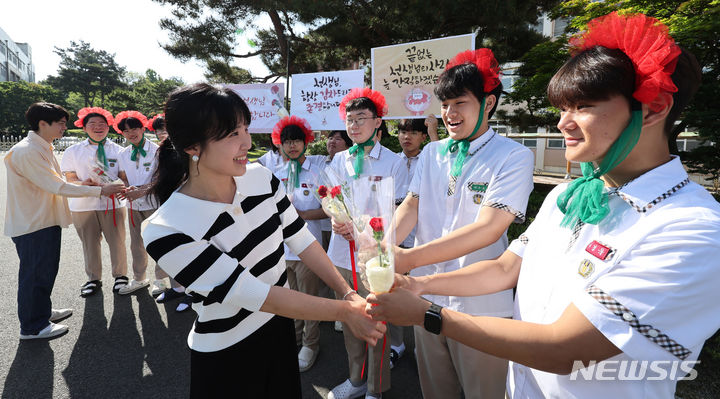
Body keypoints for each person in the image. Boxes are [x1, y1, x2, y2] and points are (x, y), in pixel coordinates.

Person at [368, 12, 719, 399]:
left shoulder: (692, 228)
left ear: (653, 108)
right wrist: (419, 285)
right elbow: (506, 267)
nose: (562, 124)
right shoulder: (565, 197)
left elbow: (565, 348)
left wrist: (425, 312)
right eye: (562, 108)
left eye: (582, 105)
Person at [141, 83, 385, 398]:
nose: (246, 142)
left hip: (279, 328)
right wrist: (345, 311)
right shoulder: (165, 229)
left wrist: (348, 292)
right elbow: (257, 295)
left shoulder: (261, 179)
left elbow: (302, 240)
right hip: (226, 352)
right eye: (232, 134)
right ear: (192, 146)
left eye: (246, 128)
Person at [386, 48, 535, 399]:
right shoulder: (432, 153)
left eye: (460, 103)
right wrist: (384, 247)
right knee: (436, 390)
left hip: (480, 305)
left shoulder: (513, 155)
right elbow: (411, 205)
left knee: (483, 391)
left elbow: (489, 228)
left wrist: (408, 259)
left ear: (489, 102)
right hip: (423, 295)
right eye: (445, 105)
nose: (450, 114)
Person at [4, 102, 124, 339]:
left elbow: (57, 181)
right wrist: (100, 191)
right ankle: (32, 326)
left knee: (44, 272)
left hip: (43, 220)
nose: (64, 128)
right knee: (35, 274)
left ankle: (41, 312)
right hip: (33, 223)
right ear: (42, 124)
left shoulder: (42, 147)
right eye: (60, 123)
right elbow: (56, 185)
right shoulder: (27, 150)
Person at [326, 88, 410, 399]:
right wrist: (336, 219)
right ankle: (355, 379)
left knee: (377, 323)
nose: (354, 125)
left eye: (362, 118)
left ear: (378, 122)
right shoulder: (338, 160)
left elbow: (401, 211)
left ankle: (375, 387)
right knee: (350, 322)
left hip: (376, 259)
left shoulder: (394, 162)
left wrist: (367, 232)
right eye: (350, 119)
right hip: (341, 253)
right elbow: (333, 199)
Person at [269, 115, 328, 372]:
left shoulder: (317, 172)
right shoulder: (276, 173)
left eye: (296, 141)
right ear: (279, 144)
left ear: (306, 143)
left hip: (307, 246)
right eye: (287, 141)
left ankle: (311, 344)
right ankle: (293, 337)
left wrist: (300, 216)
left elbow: (328, 209)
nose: (292, 146)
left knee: (308, 299)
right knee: (289, 297)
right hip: (281, 249)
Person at [61, 107, 129, 297]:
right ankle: (93, 278)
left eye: (102, 124)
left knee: (117, 241)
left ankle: (121, 275)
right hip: (83, 205)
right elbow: (69, 179)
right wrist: (85, 184)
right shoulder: (73, 151)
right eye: (92, 124)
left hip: (113, 204)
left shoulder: (119, 151)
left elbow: (124, 177)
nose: (98, 127)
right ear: (84, 128)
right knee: (89, 243)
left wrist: (117, 185)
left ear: (108, 127)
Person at [114, 110, 159, 295]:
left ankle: (161, 280)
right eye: (126, 131)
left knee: (158, 243)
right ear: (122, 134)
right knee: (136, 244)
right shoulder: (123, 154)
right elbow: (124, 178)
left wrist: (140, 190)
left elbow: (161, 179)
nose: (131, 133)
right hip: (133, 205)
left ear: (142, 128)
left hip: (155, 203)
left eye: (134, 128)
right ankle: (139, 278)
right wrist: (126, 188)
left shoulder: (157, 150)